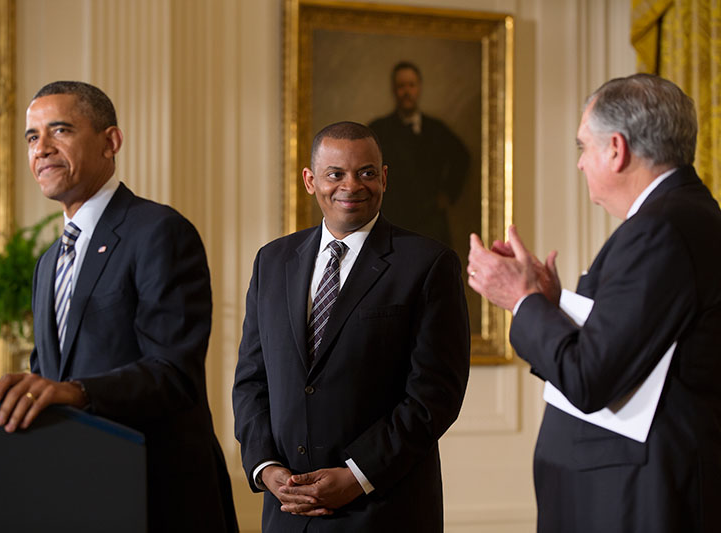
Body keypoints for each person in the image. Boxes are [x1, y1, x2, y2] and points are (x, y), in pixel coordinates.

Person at [468, 73, 721, 532]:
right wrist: (548, 303)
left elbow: (590, 378)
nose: (581, 163)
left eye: (583, 147)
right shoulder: (683, 217)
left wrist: (521, 300)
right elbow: (629, 347)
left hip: (637, 497)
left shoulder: (660, 230)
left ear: (616, 149)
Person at [0, 81, 238, 533]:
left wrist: (78, 392)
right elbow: (48, 376)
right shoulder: (48, 263)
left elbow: (173, 372)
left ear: (111, 141)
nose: (41, 149)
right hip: (80, 491)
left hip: (156, 492)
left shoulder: (158, 231)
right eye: (32, 137)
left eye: (59, 131)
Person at [233, 121, 470, 532]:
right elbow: (252, 381)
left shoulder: (429, 264)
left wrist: (357, 475)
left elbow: (434, 397)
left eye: (366, 172)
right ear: (311, 181)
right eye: (335, 174)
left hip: (382, 510)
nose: (352, 185)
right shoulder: (272, 262)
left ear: (384, 178)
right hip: (287, 511)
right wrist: (266, 467)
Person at [368, 61, 470, 246]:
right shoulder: (379, 129)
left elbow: (462, 158)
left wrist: (447, 194)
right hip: (393, 218)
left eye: (411, 85)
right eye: (401, 86)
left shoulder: (436, 129)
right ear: (393, 90)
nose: (407, 91)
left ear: (419, 88)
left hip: (430, 220)